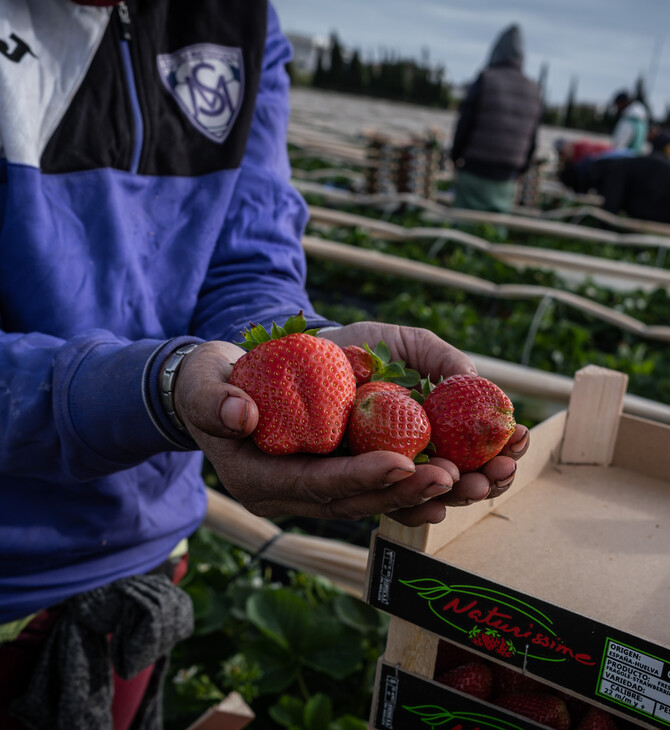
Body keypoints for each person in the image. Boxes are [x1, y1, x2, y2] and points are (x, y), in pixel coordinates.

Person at [0, 2, 530, 728]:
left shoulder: (237, 16)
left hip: (140, 563)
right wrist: (158, 388)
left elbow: (247, 258)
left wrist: (306, 347)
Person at [449, 23, 543, 214]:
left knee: (465, 222)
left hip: (475, 169)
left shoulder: (486, 79)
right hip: (507, 175)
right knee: (494, 228)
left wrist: (455, 157)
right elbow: (532, 140)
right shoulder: (534, 90)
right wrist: (520, 169)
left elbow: (465, 123)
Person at [610, 90, 649, 155]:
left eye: (618, 104)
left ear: (623, 103)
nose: (617, 108)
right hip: (634, 160)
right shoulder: (642, 122)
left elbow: (619, 146)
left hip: (623, 160)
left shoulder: (628, 120)